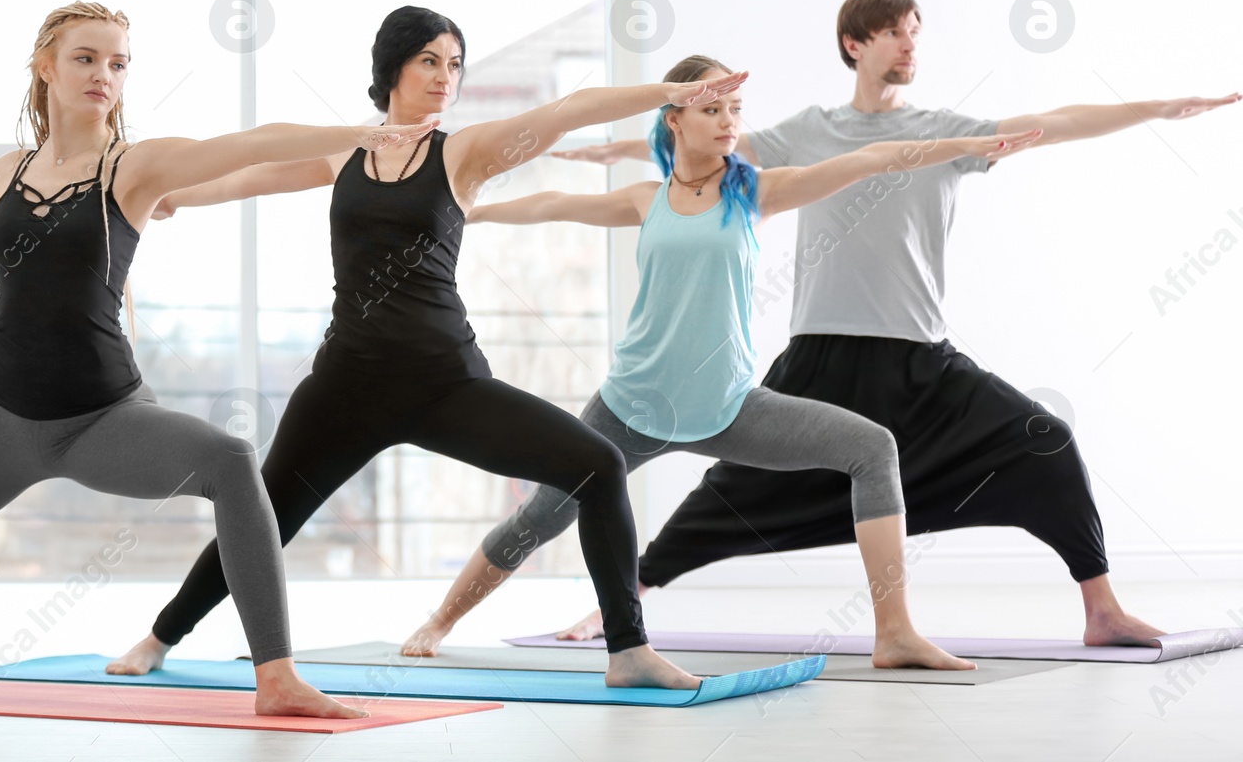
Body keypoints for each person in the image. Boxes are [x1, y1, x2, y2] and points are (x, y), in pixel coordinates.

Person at [0, 0, 439, 719]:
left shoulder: (133, 168)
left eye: (119, 63)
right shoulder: (12, 171)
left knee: (228, 458)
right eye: (86, 58)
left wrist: (360, 133)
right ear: (45, 66)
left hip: (103, 420)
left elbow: (250, 142)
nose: (105, 74)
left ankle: (276, 674)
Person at [546, 0, 1239, 646]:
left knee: (1046, 441)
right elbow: (698, 149)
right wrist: (614, 148)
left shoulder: (942, 133)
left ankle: (1103, 609)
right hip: (821, 353)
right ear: (854, 42)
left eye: (915, 32)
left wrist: (1157, 106)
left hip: (920, 358)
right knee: (730, 492)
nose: (909, 44)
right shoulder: (806, 133)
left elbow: (1052, 125)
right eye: (893, 32)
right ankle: (620, 601)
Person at [108, 6, 748, 689]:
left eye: (455, 64)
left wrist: (668, 94)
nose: (446, 77)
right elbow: (246, 174)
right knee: (265, 512)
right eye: (430, 61)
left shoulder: (462, 152)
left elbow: (569, 110)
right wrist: (166, 196)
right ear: (393, 68)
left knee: (597, 464)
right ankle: (159, 635)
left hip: (446, 383)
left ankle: (628, 648)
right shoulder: (344, 149)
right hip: (345, 385)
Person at [400, 54, 1044, 668]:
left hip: (728, 407)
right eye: (713, 109)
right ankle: (440, 621)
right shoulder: (642, 199)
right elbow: (546, 207)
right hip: (633, 406)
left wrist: (962, 146)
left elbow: (874, 159)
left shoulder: (757, 192)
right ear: (675, 119)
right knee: (540, 516)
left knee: (872, 449)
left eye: (736, 108)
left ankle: (896, 632)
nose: (730, 120)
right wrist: (460, 212)